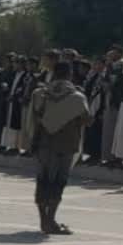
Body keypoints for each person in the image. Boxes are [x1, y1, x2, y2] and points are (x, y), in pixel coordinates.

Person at [31, 61, 91, 235]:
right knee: (58, 181)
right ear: (70, 75)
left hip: (43, 142)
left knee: (42, 180)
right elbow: (87, 120)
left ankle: (43, 220)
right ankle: (51, 221)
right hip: (65, 144)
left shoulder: (39, 93)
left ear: (54, 74)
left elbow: (32, 118)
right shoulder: (78, 97)